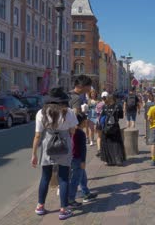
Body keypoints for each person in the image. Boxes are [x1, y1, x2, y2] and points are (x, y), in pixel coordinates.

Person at [30, 87, 78, 220]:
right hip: (64, 143)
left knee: (45, 176)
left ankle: (40, 206)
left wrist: (34, 154)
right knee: (63, 177)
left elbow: (38, 136)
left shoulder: (41, 112)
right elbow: (73, 131)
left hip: (48, 143)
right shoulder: (68, 112)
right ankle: (64, 209)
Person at [68, 113, 98, 207]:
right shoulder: (80, 133)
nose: (87, 122)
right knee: (75, 180)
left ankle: (86, 193)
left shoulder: (72, 131)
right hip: (77, 158)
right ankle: (71, 200)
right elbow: (82, 149)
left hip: (73, 157)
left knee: (82, 177)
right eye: (86, 120)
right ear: (82, 122)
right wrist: (83, 161)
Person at [100, 95, 126, 166]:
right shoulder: (118, 106)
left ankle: (109, 160)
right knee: (117, 143)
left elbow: (102, 117)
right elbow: (121, 116)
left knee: (107, 143)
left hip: (106, 128)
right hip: (115, 127)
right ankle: (118, 160)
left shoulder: (104, 106)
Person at [94, 91, 108, 157]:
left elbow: (96, 113)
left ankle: (99, 149)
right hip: (106, 123)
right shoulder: (108, 104)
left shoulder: (98, 104)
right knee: (106, 136)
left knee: (99, 137)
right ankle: (105, 150)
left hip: (99, 122)